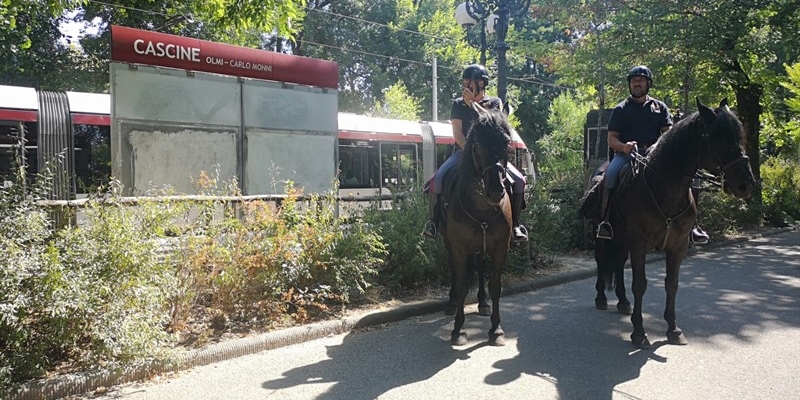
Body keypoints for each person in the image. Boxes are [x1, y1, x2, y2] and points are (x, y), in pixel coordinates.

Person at [422, 64, 528, 242]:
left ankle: (515, 225)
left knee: (519, 181)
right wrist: (468, 152)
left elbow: (494, 120)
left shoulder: (495, 102)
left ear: (481, 83)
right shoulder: (457, 104)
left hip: (492, 156)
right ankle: (433, 223)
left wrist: (473, 104)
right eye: (465, 81)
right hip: (463, 152)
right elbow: (457, 133)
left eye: (469, 81)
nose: (466, 85)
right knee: (437, 179)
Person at [596, 65, 672, 240]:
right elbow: (612, 139)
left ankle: (692, 225)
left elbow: (668, 133)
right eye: (633, 81)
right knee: (610, 175)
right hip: (627, 154)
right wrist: (624, 147)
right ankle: (605, 220)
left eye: (640, 81)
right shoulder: (621, 109)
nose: (637, 84)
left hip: (655, 154)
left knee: (686, 176)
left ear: (648, 84)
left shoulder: (660, 107)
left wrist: (658, 146)